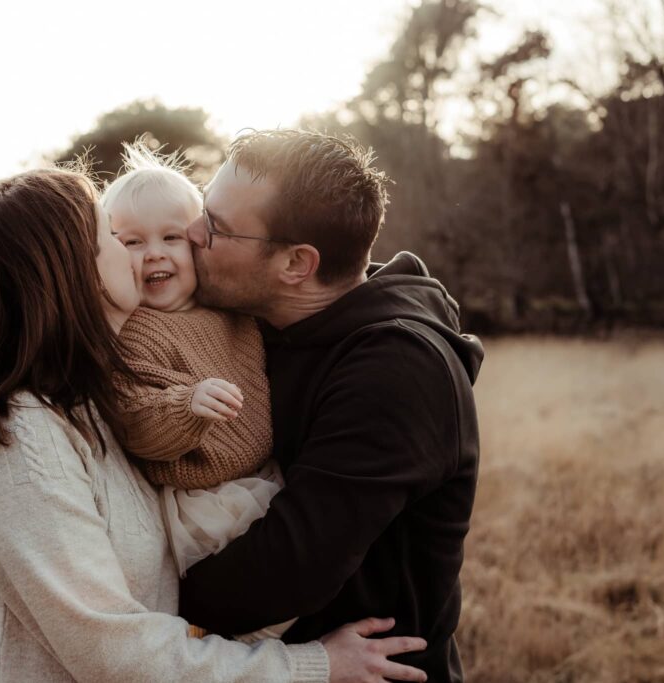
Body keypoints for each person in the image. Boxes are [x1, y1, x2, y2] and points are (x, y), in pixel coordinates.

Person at [0, 164, 431, 682]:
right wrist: (313, 666)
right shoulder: (16, 434)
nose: (142, 251)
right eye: (113, 238)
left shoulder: (97, 399)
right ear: (75, 276)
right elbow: (110, 647)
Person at [177, 130, 484, 683]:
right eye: (204, 208)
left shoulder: (398, 368)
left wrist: (120, 604)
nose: (193, 232)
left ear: (296, 263)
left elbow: (291, 566)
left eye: (217, 227)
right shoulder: (261, 326)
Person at [101, 142, 293, 642]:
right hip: (205, 503)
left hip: (266, 476)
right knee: (252, 628)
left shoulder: (232, 312)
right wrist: (186, 405)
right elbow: (134, 418)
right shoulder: (137, 331)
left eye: (171, 237)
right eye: (132, 243)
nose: (155, 254)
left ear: (199, 243)